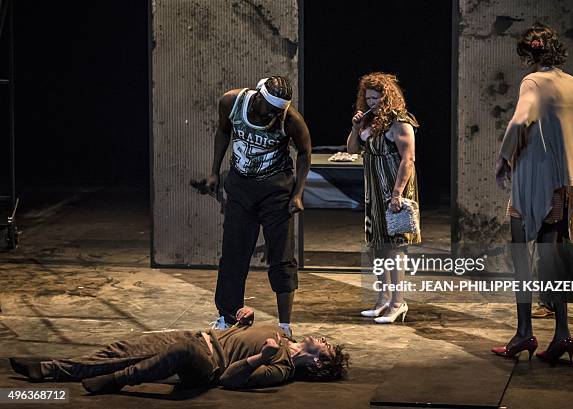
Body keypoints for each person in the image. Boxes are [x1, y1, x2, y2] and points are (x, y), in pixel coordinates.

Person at [493, 24, 573, 363]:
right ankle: (561, 335)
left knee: (521, 257)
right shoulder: (572, 83)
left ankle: (524, 333)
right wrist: (572, 137)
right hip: (565, 183)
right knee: (552, 258)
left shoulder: (533, 82)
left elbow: (517, 121)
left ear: (529, 54)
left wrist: (503, 159)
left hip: (536, 179)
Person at [8, 307, 349, 394]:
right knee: (124, 347)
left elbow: (229, 380)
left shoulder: (282, 369)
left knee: (177, 352)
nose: (322, 339)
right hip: (201, 335)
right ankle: (51, 369)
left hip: (206, 363)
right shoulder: (279, 331)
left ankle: (115, 381)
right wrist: (242, 319)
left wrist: (260, 357)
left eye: (326, 347)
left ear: (318, 363)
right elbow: (232, 335)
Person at [200, 76, 311, 337]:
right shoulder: (232, 101)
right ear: (258, 96)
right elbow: (223, 132)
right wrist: (214, 172)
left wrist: (297, 194)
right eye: (270, 109)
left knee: (282, 259)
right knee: (233, 255)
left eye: (278, 111)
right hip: (241, 188)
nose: (273, 115)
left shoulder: (290, 119)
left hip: (276, 191)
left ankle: (284, 325)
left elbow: (305, 152)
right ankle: (227, 318)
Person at [346, 72, 421, 324]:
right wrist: (356, 129)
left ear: (387, 96)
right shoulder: (370, 121)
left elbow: (408, 159)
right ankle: (383, 298)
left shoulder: (400, 121)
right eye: (367, 98)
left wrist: (397, 193)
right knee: (377, 245)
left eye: (376, 98)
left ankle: (398, 302)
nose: (371, 102)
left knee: (395, 246)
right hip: (374, 191)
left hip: (393, 188)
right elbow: (352, 150)